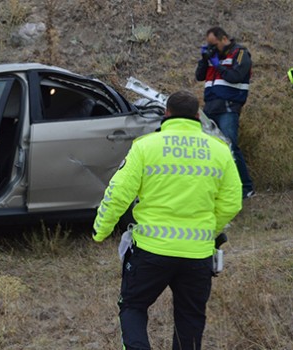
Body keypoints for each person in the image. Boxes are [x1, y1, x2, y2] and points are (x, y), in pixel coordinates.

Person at [92, 91, 243, 350]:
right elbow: (232, 202)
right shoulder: (219, 150)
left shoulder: (145, 146)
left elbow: (118, 193)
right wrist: (208, 230)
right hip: (197, 256)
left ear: (166, 114)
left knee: (132, 307)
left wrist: (100, 230)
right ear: (198, 116)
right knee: (190, 319)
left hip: (151, 252)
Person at [195, 26, 255, 199]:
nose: (213, 48)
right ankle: (216, 186)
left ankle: (246, 187)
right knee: (207, 149)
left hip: (229, 106)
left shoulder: (240, 53)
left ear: (224, 39)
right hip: (210, 106)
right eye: (209, 45)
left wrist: (217, 64)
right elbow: (199, 76)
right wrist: (204, 59)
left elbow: (235, 76)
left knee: (230, 147)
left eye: (214, 44)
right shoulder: (214, 56)